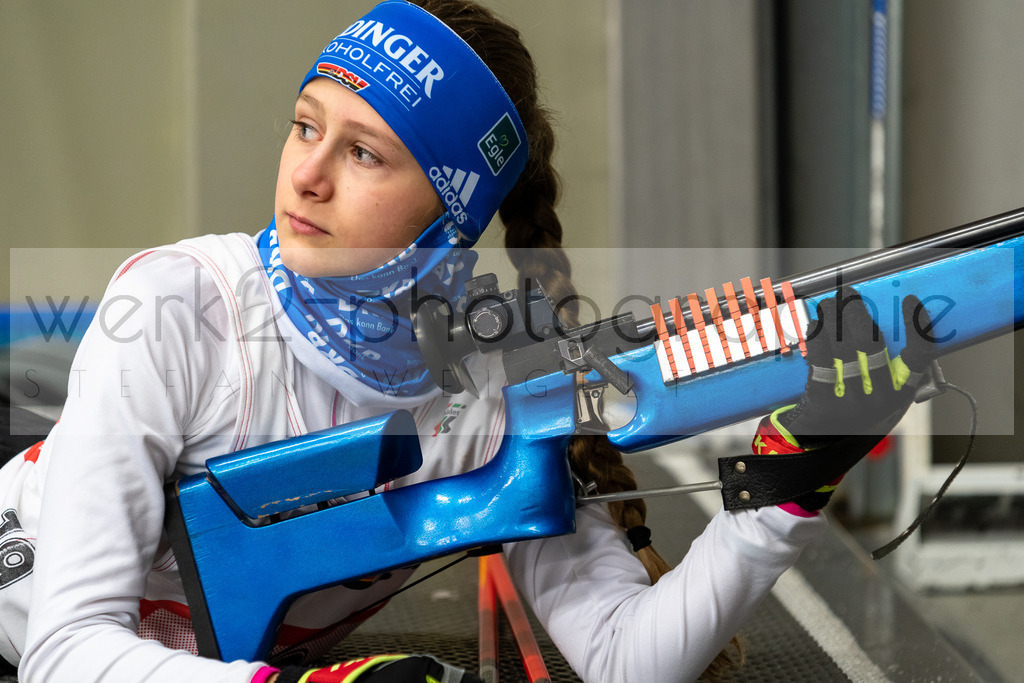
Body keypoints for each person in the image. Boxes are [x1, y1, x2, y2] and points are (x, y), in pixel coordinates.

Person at [0, 1, 931, 681]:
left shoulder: (487, 385)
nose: (306, 176)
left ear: (451, 217)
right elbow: (64, 650)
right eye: (304, 126)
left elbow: (624, 658)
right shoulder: (179, 308)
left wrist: (782, 490)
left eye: (364, 153)